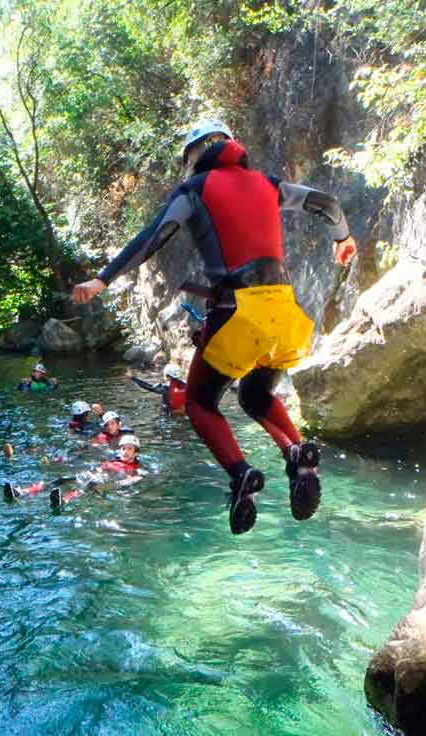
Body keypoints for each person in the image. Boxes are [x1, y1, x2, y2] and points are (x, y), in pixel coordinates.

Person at [71, 119, 357, 535]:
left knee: (201, 403)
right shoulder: (268, 184)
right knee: (256, 395)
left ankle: (242, 474)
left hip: (237, 309)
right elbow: (327, 204)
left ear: (193, 157)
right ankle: (297, 454)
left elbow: (155, 236)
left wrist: (102, 279)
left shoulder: (195, 190)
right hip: (285, 311)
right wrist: (342, 239)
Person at [3, 434, 146, 506]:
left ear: (136, 452)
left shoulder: (137, 468)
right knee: (63, 479)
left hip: (103, 481)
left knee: (87, 486)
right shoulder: (115, 459)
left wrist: (123, 482)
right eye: (123, 448)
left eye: (129, 449)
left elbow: (134, 479)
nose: (126, 451)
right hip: (94, 473)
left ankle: (63, 500)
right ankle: (23, 492)